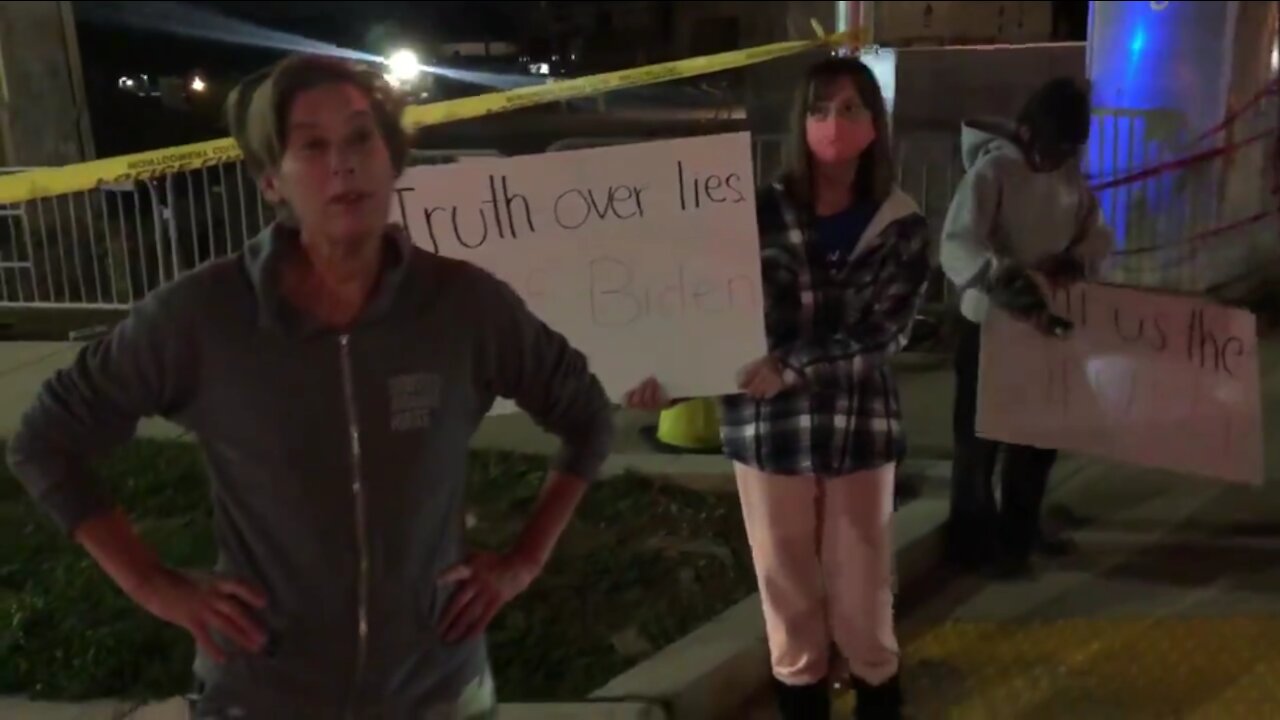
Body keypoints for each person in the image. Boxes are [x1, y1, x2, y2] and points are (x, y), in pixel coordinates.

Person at [7, 55, 614, 719]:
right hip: (264, 695)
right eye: (312, 145)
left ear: (392, 157)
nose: (344, 164)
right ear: (272, 181)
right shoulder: (203, 318)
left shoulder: (464, 307)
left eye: (360, 138)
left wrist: (523, 562)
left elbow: (585, 413)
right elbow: (47, 441)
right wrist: (156, 586)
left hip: (437, 691)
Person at [627, 57, 931, 720]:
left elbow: (888, 330)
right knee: (788, 595)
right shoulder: (750, 214)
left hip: (859, 431)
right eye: (819, 109)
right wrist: (670, 378)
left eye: (851, 108)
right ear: (799, 122)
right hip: (767, 434)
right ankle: (802, 702)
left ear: (875, 124)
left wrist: (795, 366)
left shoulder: (901, 223)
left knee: (863, 596)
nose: (833, 123)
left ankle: (880, 694)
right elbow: (705, 310)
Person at [940, 76, 1114, 579]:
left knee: (1037, 439)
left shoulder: (1069, 182)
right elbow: (957, 241)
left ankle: (1018, 534)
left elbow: (1098, 233)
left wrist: (1076, 260)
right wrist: (1001, 276)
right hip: (990, 322)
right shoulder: (993, 171)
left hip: (1044, 328)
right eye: (1050, 148)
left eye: (1066, 151)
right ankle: (972, 542)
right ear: (1026, 133)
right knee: (980, 439)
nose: (1054, 159)